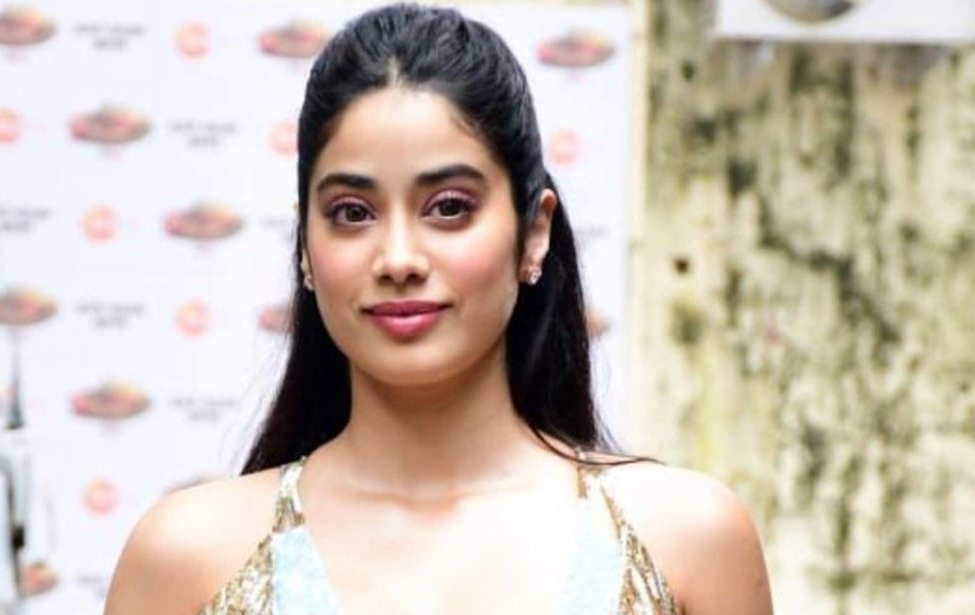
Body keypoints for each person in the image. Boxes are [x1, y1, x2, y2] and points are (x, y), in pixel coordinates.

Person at [104, 4, 773, 614]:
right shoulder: (187, 559)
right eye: (352, 213)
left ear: (534, 232)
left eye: (449, 207)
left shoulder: (685, 539)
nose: (398, 258)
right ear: (306, 243)